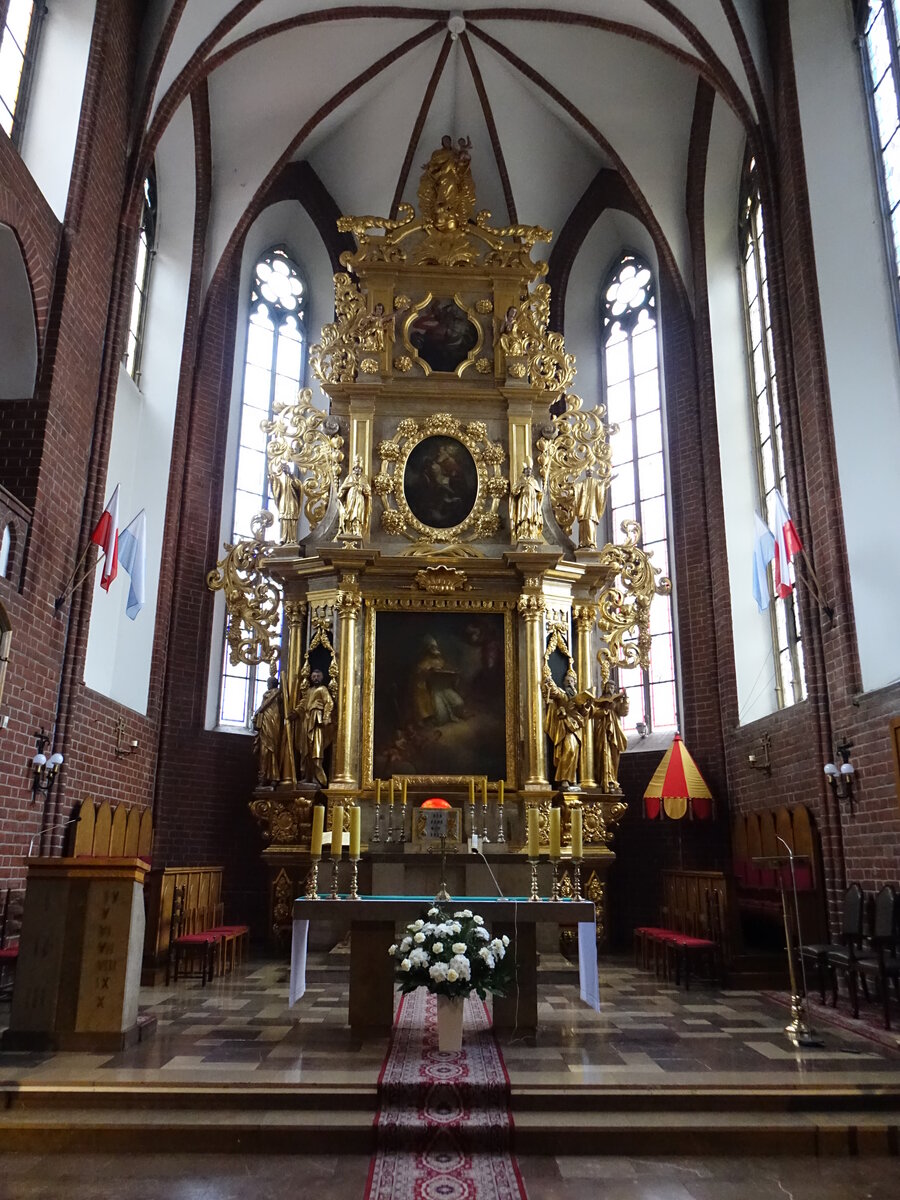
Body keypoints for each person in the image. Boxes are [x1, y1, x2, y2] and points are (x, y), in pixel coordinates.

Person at [542, 669, 594, 788]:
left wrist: (587, 706)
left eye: (571, 681)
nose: (569, 683)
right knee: (568, 750)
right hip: (565, 727)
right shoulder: (563, 694)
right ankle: (563, 778)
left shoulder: (578, 697)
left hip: (576, 728)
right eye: (567, 681)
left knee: (575, 753)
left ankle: (571, 779)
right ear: (564, 683)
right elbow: (555, 692)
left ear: (574, 682)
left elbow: (584, 713)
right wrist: (549, 680)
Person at [412, 635, 466, 726]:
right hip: (434, 690)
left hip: (446, 688)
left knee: (459, 703)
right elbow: (420, 677)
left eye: (435, 647)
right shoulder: (423, 662)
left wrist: (453, 673)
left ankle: (456, 713)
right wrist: (428, 672)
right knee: (442, 718)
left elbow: (448, 669)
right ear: (428, 649)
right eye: (432, 647)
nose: (435, 649)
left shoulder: (440, 660)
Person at [296, 668, 334, 786]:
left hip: (317, 723)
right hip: (307, 722)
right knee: (306, 750)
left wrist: (326, 717)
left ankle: (317, 778)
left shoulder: (323, 689)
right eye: (314, 676)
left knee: (316, 750)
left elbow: (329, 703)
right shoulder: (309, 691)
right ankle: (307, 777)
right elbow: (303, 704)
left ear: (322, 677)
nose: (315, 678)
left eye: (318, 676)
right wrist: (295, 712)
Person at [252, 673, 288, 784]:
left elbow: (267, 703)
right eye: (267, 683)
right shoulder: (267, 693)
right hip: (265, 721)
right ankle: (263, 777)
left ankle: (274, 777)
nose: (268, 685)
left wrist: (259, 710)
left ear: (273, 683)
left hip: (274, 720)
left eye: (269, 683)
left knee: (273, 748)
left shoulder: (276, 692)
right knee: (264, 751)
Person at [594, 681, 629, 792]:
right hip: (602, 728)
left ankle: (613, 778)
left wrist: (625, 699)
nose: (610, 689)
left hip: (615, 729)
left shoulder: (617, 701)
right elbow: (593, 713)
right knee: (602, 752)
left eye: (612, 687)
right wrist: (603, 711)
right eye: (608, 687)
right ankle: (603, 779)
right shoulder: (600, 700)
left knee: (614, 754)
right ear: (604, 688)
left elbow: (623, 712)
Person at [574, 466, 609, 550]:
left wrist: (607, 481)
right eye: (587, 471)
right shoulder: (583, 482)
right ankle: (582, 543)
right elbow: (576, 487)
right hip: (583, 507)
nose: (589, 472)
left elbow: (601, 485)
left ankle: (591, 542)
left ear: (592, 472)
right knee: (583, 524)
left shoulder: (596, 482)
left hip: (592, 507)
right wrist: (572, 487)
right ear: (585, 473)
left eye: (590, 471)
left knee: (590, 523)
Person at [510, 457, 543, 542]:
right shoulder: (520, 480)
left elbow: (539, 493)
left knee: (531, 518)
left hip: (532, 503)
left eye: (530, 469)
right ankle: (523, 533)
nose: (529, 471)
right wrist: (519, 488)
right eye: (527, 469)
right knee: (524, 517)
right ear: (524, 470)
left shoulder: (534, 481)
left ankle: (532, 534)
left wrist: (540, 494)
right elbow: (514, 491)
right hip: (523, 502)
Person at [337, 456, 371, 539]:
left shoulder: (364, 478)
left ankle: (357, 530)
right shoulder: (350, 477)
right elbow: (343, 487)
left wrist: (364, 489)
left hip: (359, 498)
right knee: (350, 513)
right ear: (353, 469)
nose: (357, 470)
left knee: (358, 514)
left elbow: (368, 490)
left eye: (359, 468)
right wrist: (351, 485)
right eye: (356, 468)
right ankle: (349, 529)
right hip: (351, 498)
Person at [269, 462, 303, 544]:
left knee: (292, 520)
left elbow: (298, 487)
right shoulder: (279, 478)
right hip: (283, 502)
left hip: (292, 502)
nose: (284, 469)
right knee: (284, 519)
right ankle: (283, 538)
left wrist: (291, 476)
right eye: (282, 467)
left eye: (286, 467)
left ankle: (292, 539)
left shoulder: (293, 478)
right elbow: (276, 490)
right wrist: (272, 479)